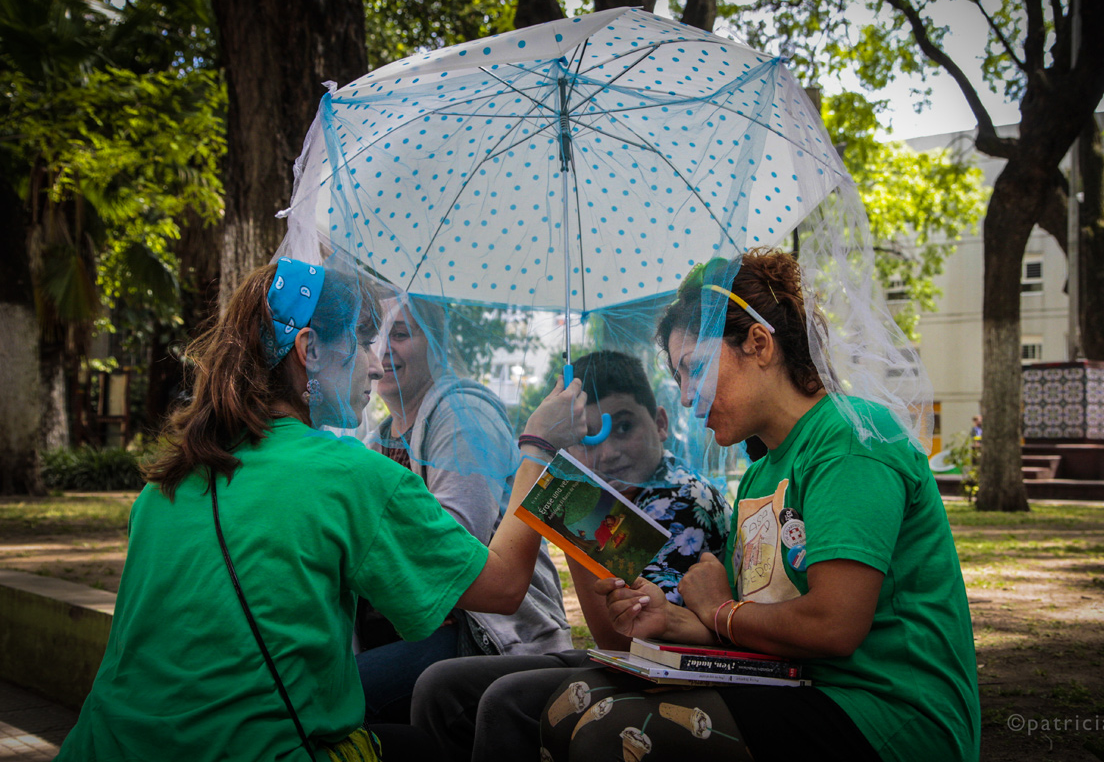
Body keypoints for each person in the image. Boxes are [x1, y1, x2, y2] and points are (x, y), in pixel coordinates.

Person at [54, 257, 589, 762]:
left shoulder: (164, 485)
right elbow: (504, 585)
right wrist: (538, 449)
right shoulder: (348, 474)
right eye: (362, 342)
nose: (375, 364)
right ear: (309, 349)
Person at [540, 248, 980, 762]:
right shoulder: (758, 475)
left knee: (609, 731)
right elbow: (746, 627)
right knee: (566, 706)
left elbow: (832, 626)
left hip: (885, 715)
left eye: (695, 368)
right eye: (679, 378)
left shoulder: (851, 439)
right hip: (792, 688)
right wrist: (668, 620)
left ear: (759, 343)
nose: (687, 396)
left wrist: (720, 609)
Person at [411, 350, 731, 762]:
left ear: (661, 423)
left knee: (505, 701)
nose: (609, 452)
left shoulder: (681, 498)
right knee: (440, 685)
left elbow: (624, 639)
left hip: (668, 671)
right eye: (590, 437)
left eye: (624, 427)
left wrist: (574, 498)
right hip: (621, 660)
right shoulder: (620, 493)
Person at [355, 298, 571, 724]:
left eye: (401, 334)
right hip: (420, 632)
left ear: (436, 343)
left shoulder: (464, 414)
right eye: (373, 337)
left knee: (337, 700)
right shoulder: (377, 441)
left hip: (489, 634)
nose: (383, 350)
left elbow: (452, 552)